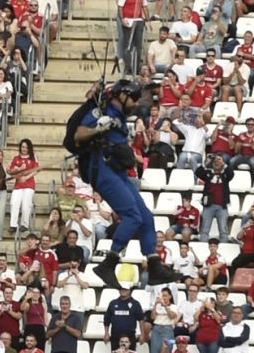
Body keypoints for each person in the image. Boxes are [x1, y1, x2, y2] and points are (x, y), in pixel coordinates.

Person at [70, 79, 179, 287]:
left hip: (117, 171)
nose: (135, 103)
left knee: (146, 216)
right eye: (133, 98)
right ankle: (109, 263)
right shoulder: (102, 112)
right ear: (122, 96)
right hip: (101, 170)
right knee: (132, 215)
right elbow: (79, 134)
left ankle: (154, 266)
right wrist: (98, 129)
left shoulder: (120, 114)